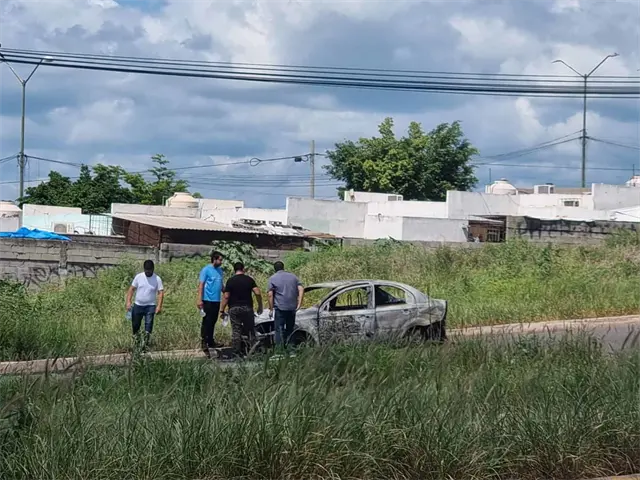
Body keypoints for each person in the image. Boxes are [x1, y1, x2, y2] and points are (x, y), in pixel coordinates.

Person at [219, 262, 263, 357]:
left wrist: (222, 310)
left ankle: (236, 352)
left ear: (234, 270)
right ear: (243, 269)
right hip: (247, 308)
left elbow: (226, 296)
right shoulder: (249, 279)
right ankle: (253, 351)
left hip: (234, 308)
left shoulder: (230, 281)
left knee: (236, 331)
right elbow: (257, 292)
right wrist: (260, 305)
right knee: (250, 330)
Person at [125, 259, 164, 351]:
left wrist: (159, 306)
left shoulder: (157, 279)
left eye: (150, 270)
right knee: (135, 325)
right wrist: (128, 302)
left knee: (148, 326)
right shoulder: (139, 277)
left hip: (150, 306)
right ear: (144, 269)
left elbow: (160, 293)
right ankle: (136, 344)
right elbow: (131, 289)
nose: (148, 272)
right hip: (138, 305)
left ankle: (145, 346)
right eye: (146, 270)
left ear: (153, 269)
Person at [267, 261, 304, 348]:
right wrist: (299, 303)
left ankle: (280, 350)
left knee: (279, 329)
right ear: (283, 267)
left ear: (275, 269)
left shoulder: (272, 278)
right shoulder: (293, 277)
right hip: (292, 307)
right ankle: (291, 349)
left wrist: (271, 309)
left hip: (280, 308)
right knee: (290, 328)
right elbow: (301, 289)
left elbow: (270, 294)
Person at [197, 251, 224, 355]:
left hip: (217, 300)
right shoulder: (206, 270)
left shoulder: (220, 271)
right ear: (214, 259)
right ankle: (204, 342)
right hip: (207, 300)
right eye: (220, 260)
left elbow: (221, 284)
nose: (221, 262)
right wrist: (199, 299)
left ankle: (211, 341)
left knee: (213, 321)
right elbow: (201, 285)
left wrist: (227, 292)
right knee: (206, 321)